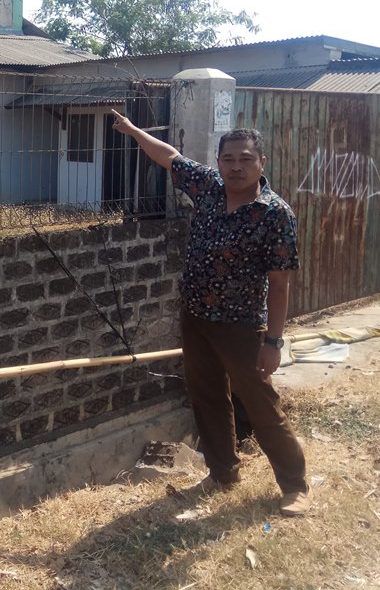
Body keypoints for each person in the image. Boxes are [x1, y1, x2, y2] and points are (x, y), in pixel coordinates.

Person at [110, 109, 310, 517]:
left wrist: (273, 342)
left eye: (246, 159)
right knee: (206, 397)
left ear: (261, 163)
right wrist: (132, 131)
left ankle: (295, 485)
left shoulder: (275, 214)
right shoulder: (208, 187)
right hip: (196, 317)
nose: (236, 167)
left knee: (259, 403)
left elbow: (281, 282)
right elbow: (169, 156)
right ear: (218, 162)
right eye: (229, 159)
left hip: (241, 326)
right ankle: (222, 472)